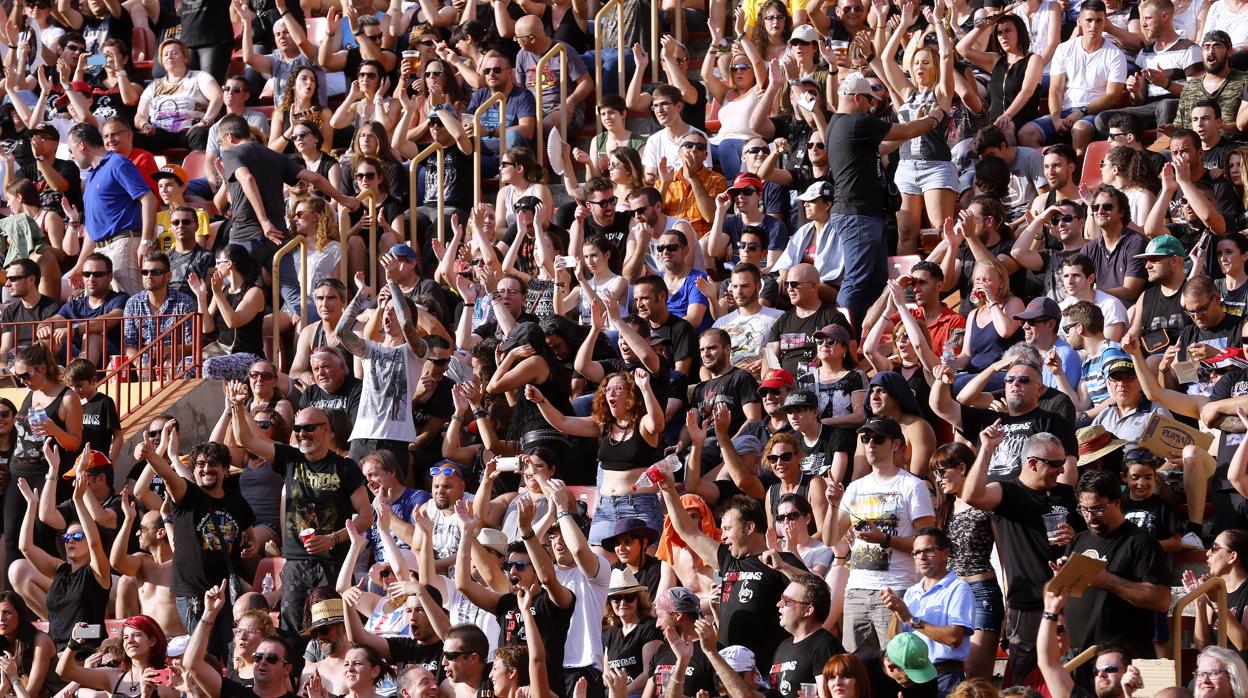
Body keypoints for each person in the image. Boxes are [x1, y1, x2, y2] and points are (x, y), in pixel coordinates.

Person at [962, 423, 1083, 683]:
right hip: (1026, 604)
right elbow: (971, 495)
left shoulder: (1065, 493)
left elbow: (1087, 541)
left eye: (1063, 462)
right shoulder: (1008, 492)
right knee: (1022, 675)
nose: (1062, 469)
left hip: (1067, 600)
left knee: (1070, 672)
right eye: (1055, 463)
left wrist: (1075, 537)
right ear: (1032, 464)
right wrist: (986, 449)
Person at [824, 72, 945, 330]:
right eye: (869, 100)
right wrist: (934, 117)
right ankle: (841, 335)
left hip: (861, 213)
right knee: (857, 280)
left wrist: (917, 124)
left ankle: (865, 334)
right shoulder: (858, 122)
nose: (871, 106)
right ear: (857, 98)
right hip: (860, 215)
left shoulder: (836, 124)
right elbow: (907, 130)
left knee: (876, 281)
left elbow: (886, 144)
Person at [134, 439, 257, 658]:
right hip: (193, 593)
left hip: (226, 593)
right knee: (204, 654)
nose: (206, 469)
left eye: (213, 464)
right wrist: (152, 455)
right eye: (200, 464)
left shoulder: (237, 503)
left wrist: (251, 546)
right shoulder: (186, 496)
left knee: (232, 654)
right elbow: (169, 476)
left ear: (226, 470)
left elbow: (252, 537)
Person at [10, 453, 109, 647]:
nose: (70, 541)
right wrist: (31, 506)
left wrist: (79, 500)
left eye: (78, 537)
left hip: (84, 650)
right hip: (57, 648)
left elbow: (96, 543)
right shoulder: (61, 570)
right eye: (67, 537)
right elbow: (25, 547)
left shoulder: (97, 572)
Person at [2, 343, 84, 580]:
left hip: (45, 475)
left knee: (41, 538)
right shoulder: (32, 392)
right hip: (18, 473)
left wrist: (54, 429)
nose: (21, 380)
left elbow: (75, 442)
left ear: (41, 368)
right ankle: (10, 600)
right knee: (11, 537)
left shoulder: (67, 398)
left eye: (25, 375)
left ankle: (47, 595)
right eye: (17, 376)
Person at [1018, 0, 1127, 155]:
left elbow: (1113, 96)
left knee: (1080, 129)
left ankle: (1078, 178)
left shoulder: (1116, 55)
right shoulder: (1064, 49)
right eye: (1089, 20)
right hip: (1064, 111)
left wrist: (1082, 111)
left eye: (1098, 20)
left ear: (1105, 22)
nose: (1093, 26)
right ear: (1079, 21)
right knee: (1026, 134)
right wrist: (1056, 118)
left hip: (1095, 113)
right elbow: (1055, 89)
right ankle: (1045, 176)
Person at [65, 121, 156, 296]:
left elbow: (148, 199)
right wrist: (80, 264)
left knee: (131, 305)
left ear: (81, 145)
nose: (71, 156)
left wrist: (146, 241)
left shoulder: (117, 163)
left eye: (71, 150)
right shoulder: (91, 177)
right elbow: (93, 229)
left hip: (123, 244)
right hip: (100, 251)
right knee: (102, 310)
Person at [882, 527, 975, 694]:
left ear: (946, 553)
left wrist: (911, 619)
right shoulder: (912, 592)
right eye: (916, 552)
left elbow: (954, 637)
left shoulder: (959, 589)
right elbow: (896, 641)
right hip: (914, 677)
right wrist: (896, 612)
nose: (921, 557)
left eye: (928, 550)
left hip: (945, 677)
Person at [185, 582, 299, 698]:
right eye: (258, 657)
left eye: (272, 658)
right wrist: (209, 613)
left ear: (287, 669)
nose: (263, 661)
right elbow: (192, 663)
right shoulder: (234, 692)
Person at [109, 491, 184, 638]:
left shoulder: (181, 564)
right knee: (125, 579)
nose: (137, 533)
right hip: (150, 644)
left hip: (178, 643)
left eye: (142, 529)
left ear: (161, 533)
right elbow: (116, 561)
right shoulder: (143, 562)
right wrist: (128, 520)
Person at [770, 572, 845, 698]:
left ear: (808, 610)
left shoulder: (825, 646)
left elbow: (829, 695)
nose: (779, 604)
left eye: (787, 601)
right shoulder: (783, 646)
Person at [56, 614, 169, 696]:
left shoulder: (166, 680)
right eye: (125, 637)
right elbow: (64, 671)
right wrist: (73, 644)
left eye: (136, 635)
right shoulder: (113, 676)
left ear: (152, 640)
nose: (129, 641)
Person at [603, 568, 663, 697]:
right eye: (616, 598)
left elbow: (650, 673)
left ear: (639, 600)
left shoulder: (649, 627)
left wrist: (622, 693)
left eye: (629, 597)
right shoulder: (611, 632)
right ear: (610, 602)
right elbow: (606, 674)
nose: (622, 603)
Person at [0, 592, 55, 696]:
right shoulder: (3, 643)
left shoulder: (40, 641)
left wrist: (13, 677)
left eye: (7, 613)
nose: (1, 618)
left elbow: (32, 693)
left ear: (20, 615)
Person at [858, 633, 939, 698]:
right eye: (911, 677)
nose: (919, 680)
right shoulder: (860, 670)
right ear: (891, 667)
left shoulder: (927, 676)